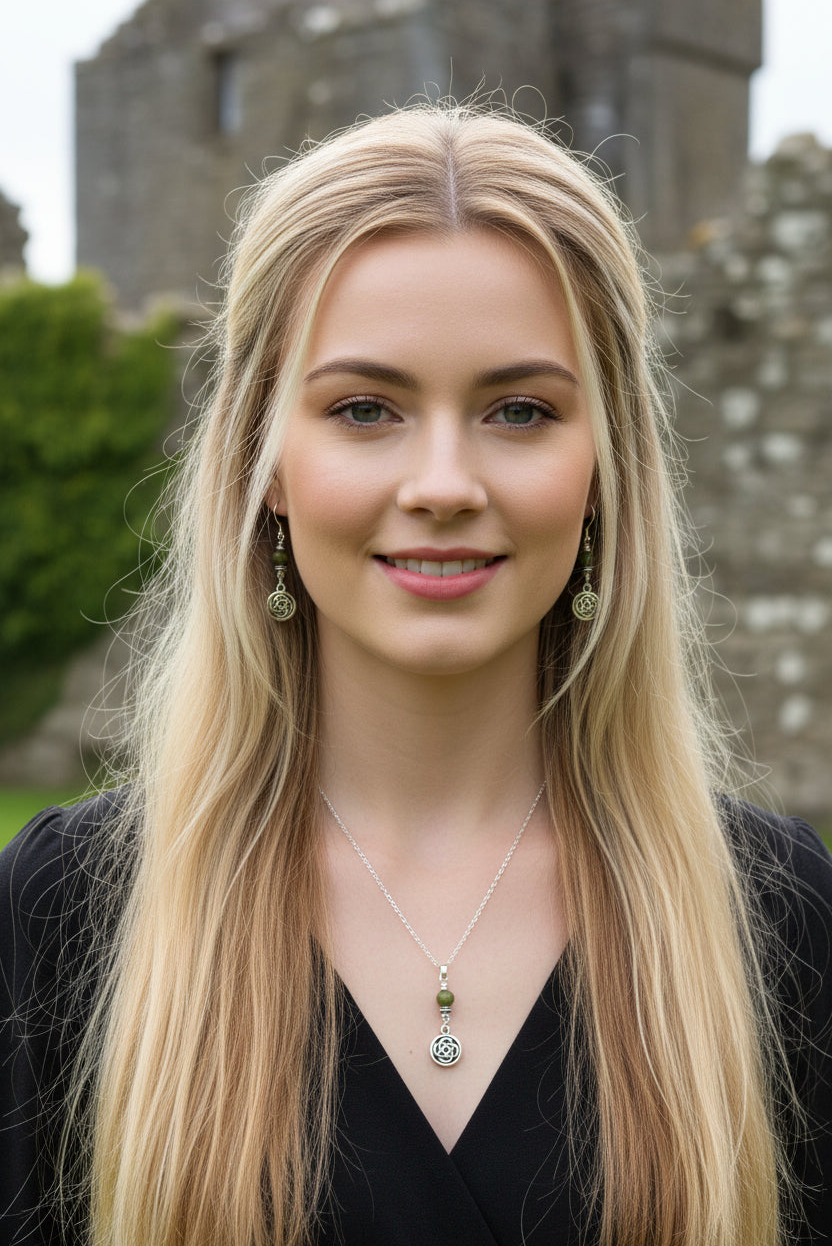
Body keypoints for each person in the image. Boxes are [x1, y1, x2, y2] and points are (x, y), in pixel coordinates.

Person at [1, 102, 830, 1246]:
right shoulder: (68, 912)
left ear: (606, 465)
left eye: (519, 409)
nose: (443, 480)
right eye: (365, 409)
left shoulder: (772, 917)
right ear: (265, 460)